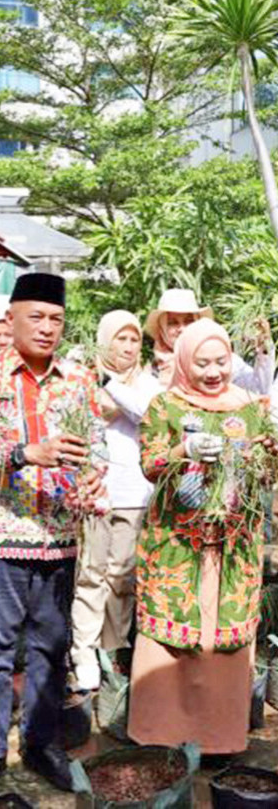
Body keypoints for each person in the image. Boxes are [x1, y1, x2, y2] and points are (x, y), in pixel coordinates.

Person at [0, 272, 106, 808]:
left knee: (52, 648)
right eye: (37, 317)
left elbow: (98, 445)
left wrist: (94, 475)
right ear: (12, 317)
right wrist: (25, 452)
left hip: (59, 536)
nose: (47, 329)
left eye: (56, 320)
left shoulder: (79, 380)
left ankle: (43, 747)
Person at [128, 317, 276, 753]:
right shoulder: (165, 406)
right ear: (183, 362)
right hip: (178, 544)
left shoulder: (252, 406)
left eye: (221, 361)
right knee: (170, 641)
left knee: (225, 639)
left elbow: (266, 474)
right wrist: (182, 450)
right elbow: (151, 464)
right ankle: (160, 736)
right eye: (202, 363)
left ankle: (219, 741)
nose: (213, 372)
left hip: (232, 543)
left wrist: (268, 457)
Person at [71, 310, 161, 690]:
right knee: (91, 573)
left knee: (122, 577)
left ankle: (115, 646)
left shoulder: (147, 383)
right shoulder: (77, 377)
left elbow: (146, 413)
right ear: (104, 340)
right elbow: (80, 415)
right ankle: (84, 650)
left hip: (134, 492)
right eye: (120, 338)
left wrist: (110, 385)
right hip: (94, 491)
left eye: (134, 340)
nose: (127, 346)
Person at [145, 288, 274, 392]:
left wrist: (265, 347)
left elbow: (258, 388)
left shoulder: (223, 360)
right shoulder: (152, 372)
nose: (181, 329)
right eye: (172, 323)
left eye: (188, 321)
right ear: (162, 330)